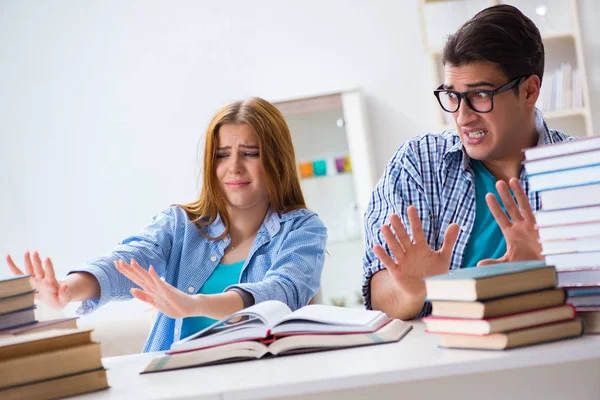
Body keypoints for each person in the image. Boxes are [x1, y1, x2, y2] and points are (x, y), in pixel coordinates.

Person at [6, 97, 327, 352]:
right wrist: (68, 289)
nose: (234, 168)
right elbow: (129, 260)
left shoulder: (303, 230)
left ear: (275, 160)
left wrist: (195, 304)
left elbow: (282, 292)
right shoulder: (180, 224)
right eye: (222, 155)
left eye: (250, 153)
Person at [362, 5, 575, 320]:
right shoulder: (417, 165)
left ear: (529, 91)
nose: (462, 117)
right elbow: (381, 295)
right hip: (445, 363)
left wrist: (553, 275)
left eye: (479, 95)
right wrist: (414, 290)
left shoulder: (581, 172)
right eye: (452, 96)